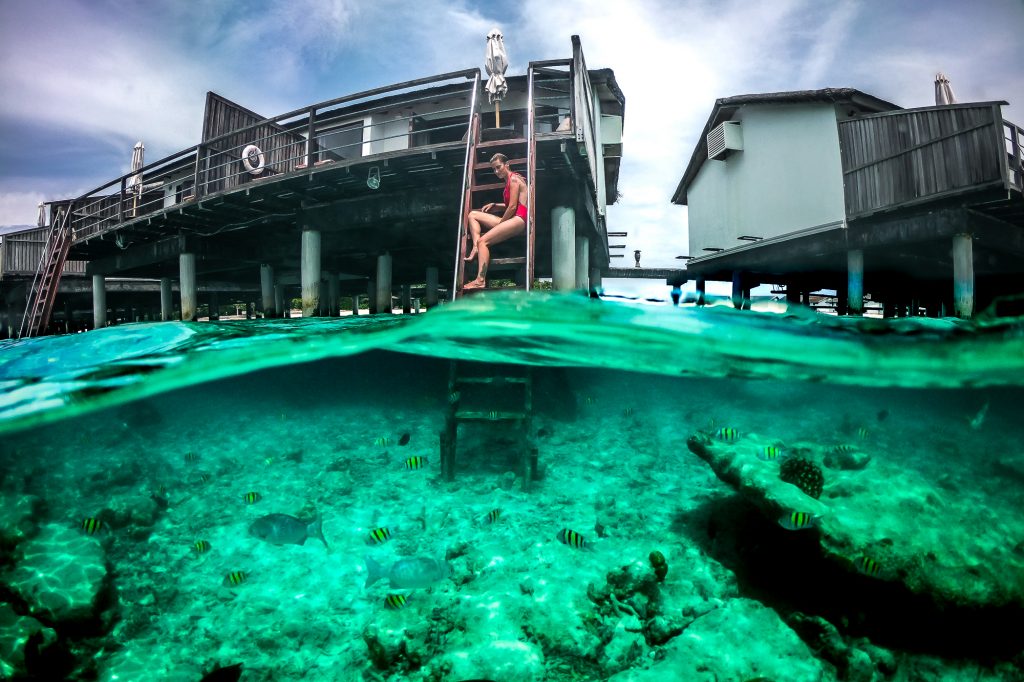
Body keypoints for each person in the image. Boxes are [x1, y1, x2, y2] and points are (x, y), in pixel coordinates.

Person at [463, 153, 527, 290]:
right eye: (494, 169)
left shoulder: (514, 179)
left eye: (498, 167)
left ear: (507, 164)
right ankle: (475, 247)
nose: (496, 171)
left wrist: (501, 223)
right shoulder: (508, 180)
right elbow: (511, 204)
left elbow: (513, 207)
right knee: (473, 214)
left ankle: (480, 280)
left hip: (518, 220)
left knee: (483, 241)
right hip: (511, 219)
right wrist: (496, 205)